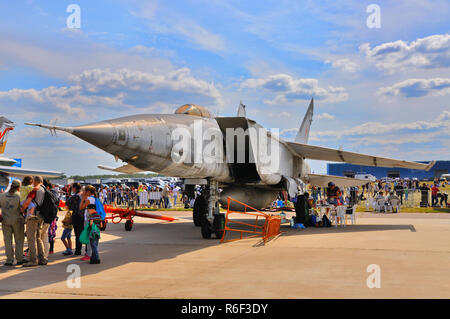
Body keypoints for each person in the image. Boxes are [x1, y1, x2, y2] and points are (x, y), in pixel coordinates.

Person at [0, 180, 25, 266]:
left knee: (7, 241)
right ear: (19, 187)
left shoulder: (2, 195)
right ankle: (19, 259)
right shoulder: (20, 196)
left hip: (5, 220)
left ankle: (9, 260)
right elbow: (23, 208)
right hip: (17, 220)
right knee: (19, 240)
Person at [79, 185, 97, 262]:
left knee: (89, 237)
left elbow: (81, 207)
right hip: (93, 219)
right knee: (92, 236)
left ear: (88, 192)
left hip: (88, 219)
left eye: (85, 191)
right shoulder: (95, 198)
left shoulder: (89, 199)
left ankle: (89, 254)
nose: (83, 192)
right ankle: (90, 253)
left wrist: (83, 198)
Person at [66, 183, 84, 255]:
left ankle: (78, 251)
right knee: (83, 233)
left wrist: (69, 193)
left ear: (74, 188)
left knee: (78, 234)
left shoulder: (75, 196)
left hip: (76, 216)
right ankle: (86, 250)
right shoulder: (83, 195)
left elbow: (67, 205)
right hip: (83, 216)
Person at [86, 199, 102, 264]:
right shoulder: (98, 216)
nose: (88, 211)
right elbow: (101, 225)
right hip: (97, 232)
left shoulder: (91, 216)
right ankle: (93, 258)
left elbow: (91, 224)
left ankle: (97, 259)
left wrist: (90, 225)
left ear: (92, 209)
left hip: (92, 233)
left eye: (88, 210)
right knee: (95, 245)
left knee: (93, 246)